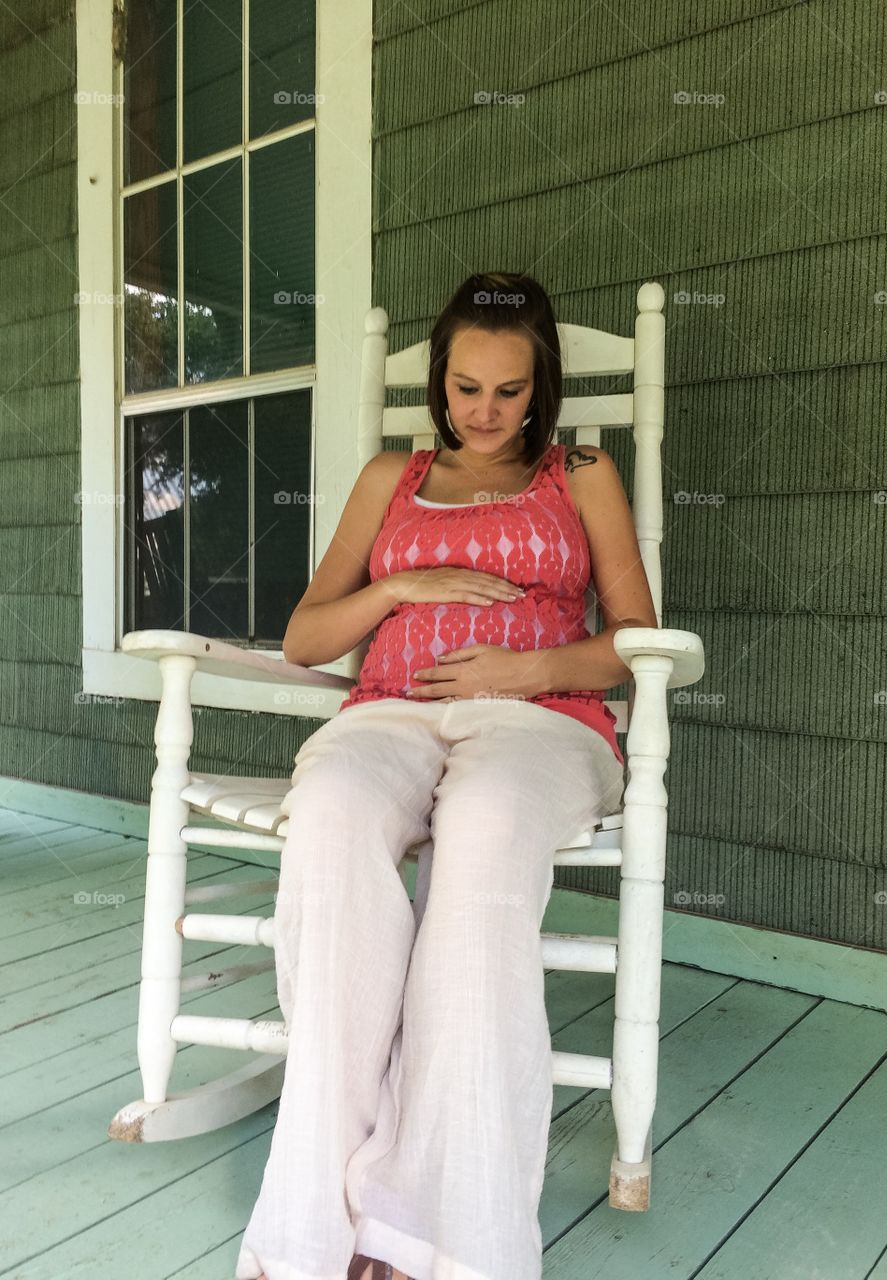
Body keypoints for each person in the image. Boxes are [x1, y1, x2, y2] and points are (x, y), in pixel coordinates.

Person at [235, 271, 658, 1280]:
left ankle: (441, 1228)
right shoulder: (390, 476)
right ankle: (310, 1222)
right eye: (465, 387)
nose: (483, 412)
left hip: (539, 719)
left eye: (508, 392)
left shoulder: (584, 468)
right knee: (330, 824)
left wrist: (532, 666)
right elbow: (303, 636)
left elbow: (639, 640)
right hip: (387, 711)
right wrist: (394, 587)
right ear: (439, 379)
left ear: (540, 386)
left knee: (481, 846)